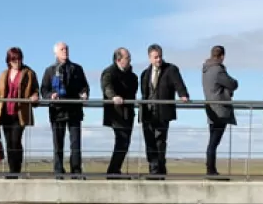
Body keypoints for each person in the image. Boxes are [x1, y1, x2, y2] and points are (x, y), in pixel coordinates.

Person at [138, 43, 189, 177]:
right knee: (149, 143)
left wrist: (183, 95)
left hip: (162, 112)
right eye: (155, 57)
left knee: (160, 141)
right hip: (147, 113)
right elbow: (144, 93)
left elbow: (178, 83)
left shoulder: (171, 69)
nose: (159, 59)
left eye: (160, 56)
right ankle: (153, 170)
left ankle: (160, 170)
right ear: (149, 58)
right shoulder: (144, 74)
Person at [40, 42, 90, 177]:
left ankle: (76, 171)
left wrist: (84, 93)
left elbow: (84, 86)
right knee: (58, 143)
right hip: (57, 111)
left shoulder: (77, 69)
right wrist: (51, 96)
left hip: (74, 111)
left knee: (76, 143)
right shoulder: (50, 70)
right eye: (62, 49)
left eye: (66, 49)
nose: (65, 51)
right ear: (55, 52)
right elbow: (43, 90)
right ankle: (58, 171)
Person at [0, 47, 40, 177]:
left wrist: (35, 96)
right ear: (9, 60)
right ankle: (12, 171)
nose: (17, 62)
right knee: (9, 143)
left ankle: (16, 171)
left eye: (19, 59)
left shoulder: (29, 73)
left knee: (15, 141)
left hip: (20, 113)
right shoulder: (3, 74)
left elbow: (36, 90)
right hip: (5, 114)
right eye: (14, 60)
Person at [201, 45, 238, 176]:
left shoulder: (206, 69)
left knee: (212, 140)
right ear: (222, 56)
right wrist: (231, 87)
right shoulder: (218, 70)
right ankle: (211, 170)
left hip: (211, 107)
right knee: (214, 142)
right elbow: (232, 84)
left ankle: (211, 169)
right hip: (220, 109)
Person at [101, 47, 138, 177]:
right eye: (127, 58)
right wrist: (113, 97)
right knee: (122, 141)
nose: (130, 60)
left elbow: (133, 91)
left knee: (125, 142)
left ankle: (114, 170)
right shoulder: (109, 72)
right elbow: (107, 87)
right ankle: (113, 171)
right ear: (118, 60)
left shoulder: (133, 76)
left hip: (128, 113)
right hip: (116, 114)